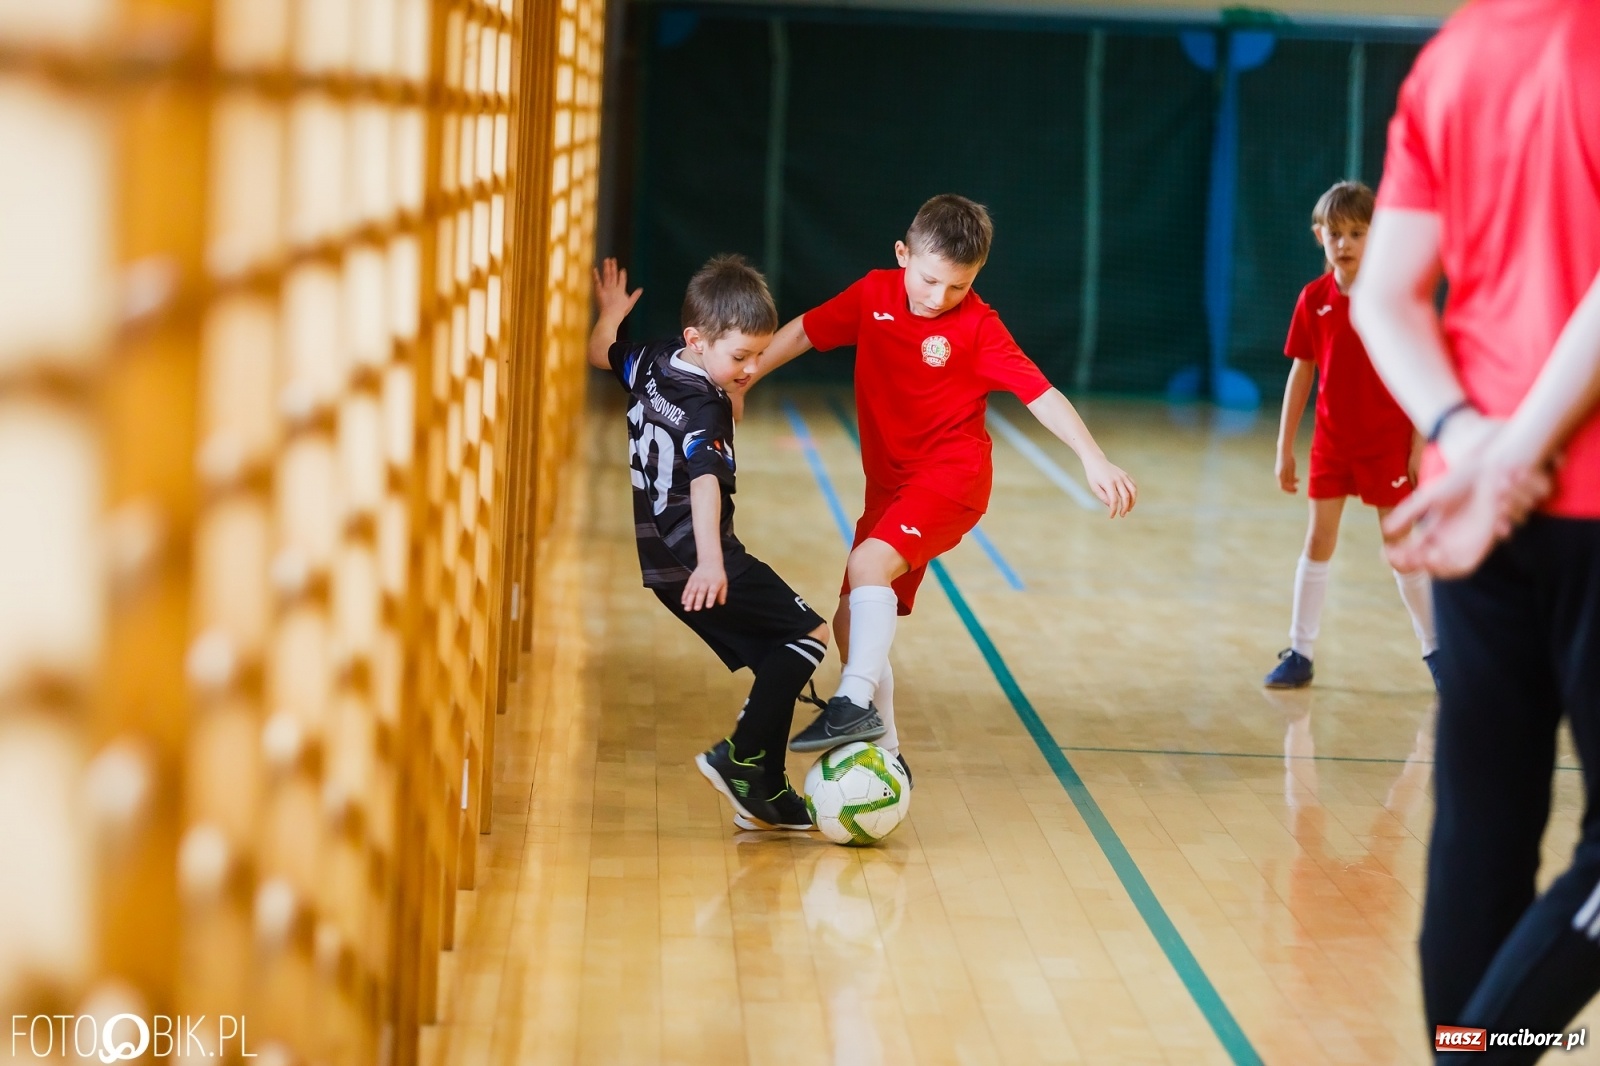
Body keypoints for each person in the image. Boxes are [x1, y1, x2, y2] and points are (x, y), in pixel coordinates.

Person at [1349, 1, 1600, 1057]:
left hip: (1475, 511)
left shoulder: (1453, 58)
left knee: (1481, 830)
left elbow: (1385, 297)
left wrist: (1466, 438)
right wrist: (1511, 452)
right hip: (1554, 494)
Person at [741, 194, 1138, 783]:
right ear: (903, 254)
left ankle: (851, 705)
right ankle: (889, 753)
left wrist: (1092, 456)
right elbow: (804, 332)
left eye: (958, 286)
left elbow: (1040, 393)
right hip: (890, 488)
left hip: (952, 479)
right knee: (850, 622)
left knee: (868, 565)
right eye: (929, 280)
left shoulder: (978, 326)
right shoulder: (873, 294)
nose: (939, 297)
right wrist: (743, 381)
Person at [587, 254, 828, 831]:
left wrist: (611, 314)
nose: (750, 368)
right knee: (810, 634)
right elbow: (704, 482)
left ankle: (763, 787)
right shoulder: (705, 406)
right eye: (740, 357)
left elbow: (601, 352)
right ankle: (737, 757)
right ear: (698, 340)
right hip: (697, 556)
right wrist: (714, 562)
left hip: (661, 560)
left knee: (779, 658)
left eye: (758, 356)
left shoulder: (652, 359)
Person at [1262, 181, 1439, 691]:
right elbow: (1301, 373)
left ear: (1375, 236)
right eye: (1335, 233)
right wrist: (1284, 447)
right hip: (1331, 445)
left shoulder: (1392, 299)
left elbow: (1419, 369)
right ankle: (1300, 652)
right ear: (1319, 236)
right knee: (1318, 541)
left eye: (1357, 233)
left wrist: (1419, 445)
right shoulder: (1313, 299)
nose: (1345, 243)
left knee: (1399, 543)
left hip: (1388, 443)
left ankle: (1438, 651)